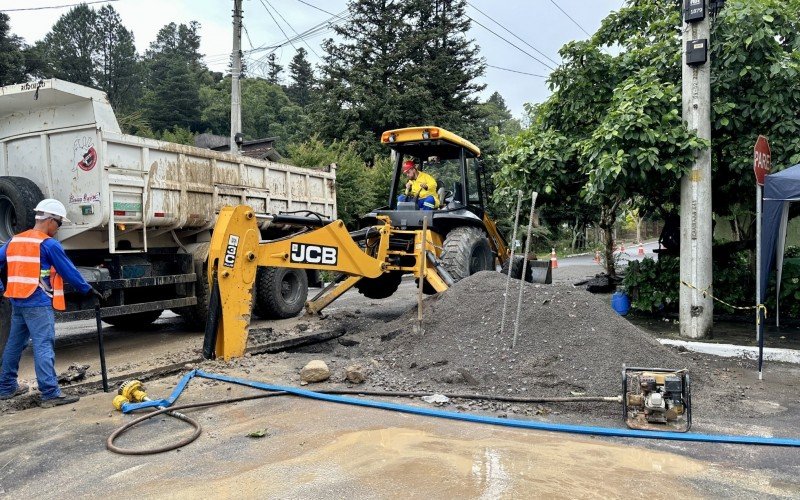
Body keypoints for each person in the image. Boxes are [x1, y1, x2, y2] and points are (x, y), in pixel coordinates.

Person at [0, 199, 100, 407]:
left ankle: (6, 387)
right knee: (43, 344)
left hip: (17, 300)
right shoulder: (48, 244)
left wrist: (2, 288)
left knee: (15, 344)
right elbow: (68, 270)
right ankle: (50, 393)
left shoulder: (14, 240)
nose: (59, 228)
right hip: (36, 302)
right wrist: (87, 289)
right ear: (50, 221)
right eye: (60, 224)